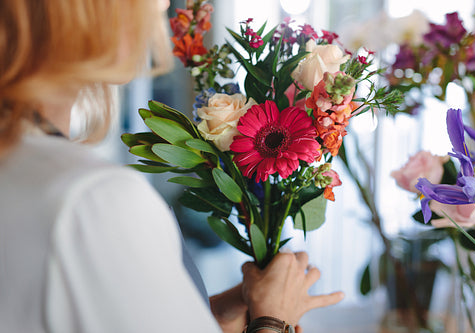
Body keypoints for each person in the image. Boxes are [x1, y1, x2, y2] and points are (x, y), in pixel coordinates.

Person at [0, 0, 344, 332]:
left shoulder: (25, 170)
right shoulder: (93, 200)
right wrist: (273, 320)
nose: (161, 4)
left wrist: (206, 316)